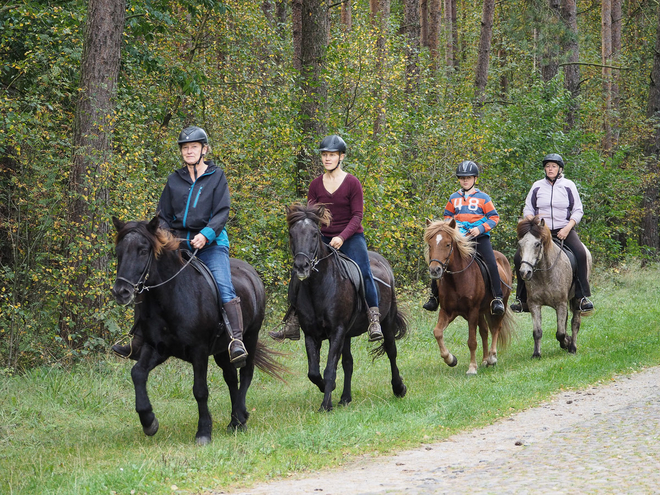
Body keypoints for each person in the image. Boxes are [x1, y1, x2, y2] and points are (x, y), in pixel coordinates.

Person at [112, 126, 249, 367]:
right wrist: (166, 236)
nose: (189, 151)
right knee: (147, 281)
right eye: (185, 148)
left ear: (204, 149)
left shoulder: (217, 177)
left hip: (211, 243)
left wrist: (205, 235)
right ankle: (138, 339)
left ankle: (235, 341)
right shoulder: (174, 179)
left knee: (223, 285)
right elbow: (162, 214)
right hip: (177, 242)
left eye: (193, 147)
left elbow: (221, 212)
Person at [268, 134, 384, 342]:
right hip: (321, 238)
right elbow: (311, 218)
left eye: (331, 155)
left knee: (364, 271)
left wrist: (341, 237)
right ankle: (293, 319)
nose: (327, 159)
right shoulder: (315, 185)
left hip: (350, 237)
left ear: (341, 157)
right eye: (324, 155)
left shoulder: (352, 183)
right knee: (299, 270)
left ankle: (373, 317)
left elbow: (357, 216)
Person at [511, 153, 593, 313]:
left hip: (564, 230)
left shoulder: (569, 185)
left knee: (581, 254)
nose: (550, 169)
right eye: (548, 166)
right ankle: (522, 299)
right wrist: (533, 222)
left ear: (560, 169)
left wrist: (567, 228)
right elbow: (528, 208)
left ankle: (582, 297)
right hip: (540, 232)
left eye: (554, 166)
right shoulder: (537, 186)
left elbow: (578, 210)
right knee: (518, 257)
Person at [422, 160, 505, 316]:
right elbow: (447, 217)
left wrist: (479, 229)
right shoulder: (453, 198)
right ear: (459, 179)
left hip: (479, 238)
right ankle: (434, 297)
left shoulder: (484, 197)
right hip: (459, 238)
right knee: (439, 258)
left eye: (468, 177)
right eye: (462, 178)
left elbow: (494, 217)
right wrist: (455, 227)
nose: (465, 180)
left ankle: (497, 298)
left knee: (491, 263)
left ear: (475, 179)